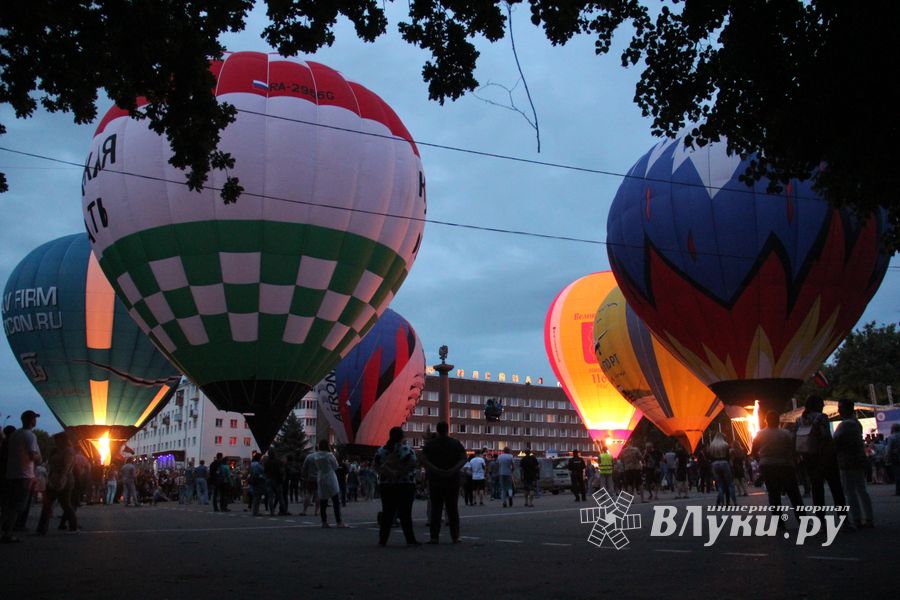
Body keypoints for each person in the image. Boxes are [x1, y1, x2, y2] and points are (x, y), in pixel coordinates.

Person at [751, 410, 804, 525]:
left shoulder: (760, 434)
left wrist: (760, 460)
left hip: (768, 465)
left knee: (773, 494)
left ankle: (779, 522)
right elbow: (793, 449)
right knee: (794, 493)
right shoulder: (785, 433)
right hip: (785, 465)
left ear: (766, 421)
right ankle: (802, 519)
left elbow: (754, 450)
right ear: (778, 420)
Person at [796, 395, 846, 509]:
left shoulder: (800, 420)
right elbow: (825, 436)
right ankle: (843, 517)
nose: (823, 405)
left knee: (817, 489)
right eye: (821, 403)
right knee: (836, 488)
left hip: (809, 457)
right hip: (826, 456)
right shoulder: (822, 417)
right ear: (817, 405)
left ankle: (820, 518)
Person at [421, 421, 467, 543]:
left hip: (435, 480)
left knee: (436, 509)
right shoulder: (456, 443)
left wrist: (435, 469)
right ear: (448, 429)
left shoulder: (430, 444)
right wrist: (453, 469)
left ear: (437, 430)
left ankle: (434, 537)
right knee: (452, 509)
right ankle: (455, 536)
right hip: (452, 480)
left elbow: (423, 459)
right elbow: (463, 458)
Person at [373, 427, 419, 546]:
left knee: (387, 512)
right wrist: (400, 473)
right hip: (405, 484)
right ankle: (410, 539)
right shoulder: (406, 449)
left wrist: (387, 473)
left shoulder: (381, 450)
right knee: (405, 513)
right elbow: (413, 463)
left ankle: (383, 539)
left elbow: (375, 466)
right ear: (402, 437)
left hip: (387, 485)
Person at [1, 410, 42, 543]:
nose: (36, 421)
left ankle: (4, 529)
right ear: (31, 420)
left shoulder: (14, 435)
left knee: (8, 506)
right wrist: (39, 458)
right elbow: (32, 455)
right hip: (24, 475)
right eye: (34, 418)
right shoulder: (30, 435)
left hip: (11, 474)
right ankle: (7, 533)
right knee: (17, 506)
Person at [833, 399, 874, 528]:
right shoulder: (856, 423)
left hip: (847, 461)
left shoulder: (844, 425)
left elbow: (835, 442)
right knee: (861, 489)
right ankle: (869, 518)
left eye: (840, 407)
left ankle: (857, 518)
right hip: (858, 459)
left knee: (850, 491)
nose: (838, 410)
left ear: (846, 408)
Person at [36, 432, 77, 535]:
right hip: (54, 478)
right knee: (48, 503)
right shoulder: (56, 451)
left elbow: (66, 466)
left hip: (64, 479)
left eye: (57, 440)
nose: (55, 442)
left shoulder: (68, 451)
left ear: (63, 440)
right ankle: (42, 528)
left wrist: (62, 478)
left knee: (64, 503)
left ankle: (73, 526)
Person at [304, 441, 345, 528]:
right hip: (330, 477)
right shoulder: (330, 455)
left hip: (321, 477)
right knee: (336, 501)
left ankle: (324, 522)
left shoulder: (316, 456)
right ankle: (339, 521)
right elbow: (335, 466)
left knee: (323, 500)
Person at [708, 433, 734, 507]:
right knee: (728, 484)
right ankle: (728, 502)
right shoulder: (725, 445)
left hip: (715, 465)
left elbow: (710, 456)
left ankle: (719, 502)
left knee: (720, 485)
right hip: (725, 464)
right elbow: (728, 456)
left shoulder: (712, 446)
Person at [264, 449, 288, 516]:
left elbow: (264, 471)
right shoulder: (278, 462)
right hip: (277, 480)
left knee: (270, 497)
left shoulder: (267, 462)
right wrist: (282, 478)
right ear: (274, 454)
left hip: (269, 480)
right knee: (280, 497)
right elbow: (281, 471)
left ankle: (272, 512)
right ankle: (283, 510)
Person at [248, 452, 267, 516]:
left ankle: (254, 511)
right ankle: (256, 511)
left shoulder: (251, 464)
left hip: (253, 480)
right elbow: (262, 471)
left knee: (255, 497)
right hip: (258, 481)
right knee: (257, 497)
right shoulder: (258, 464)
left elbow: (250, 471)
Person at [886, 423, 900, 496]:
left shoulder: (891, 437)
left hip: (895, 458)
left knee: (897, 474)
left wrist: (888, 458)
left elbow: (889, 449)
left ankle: (898, 491)